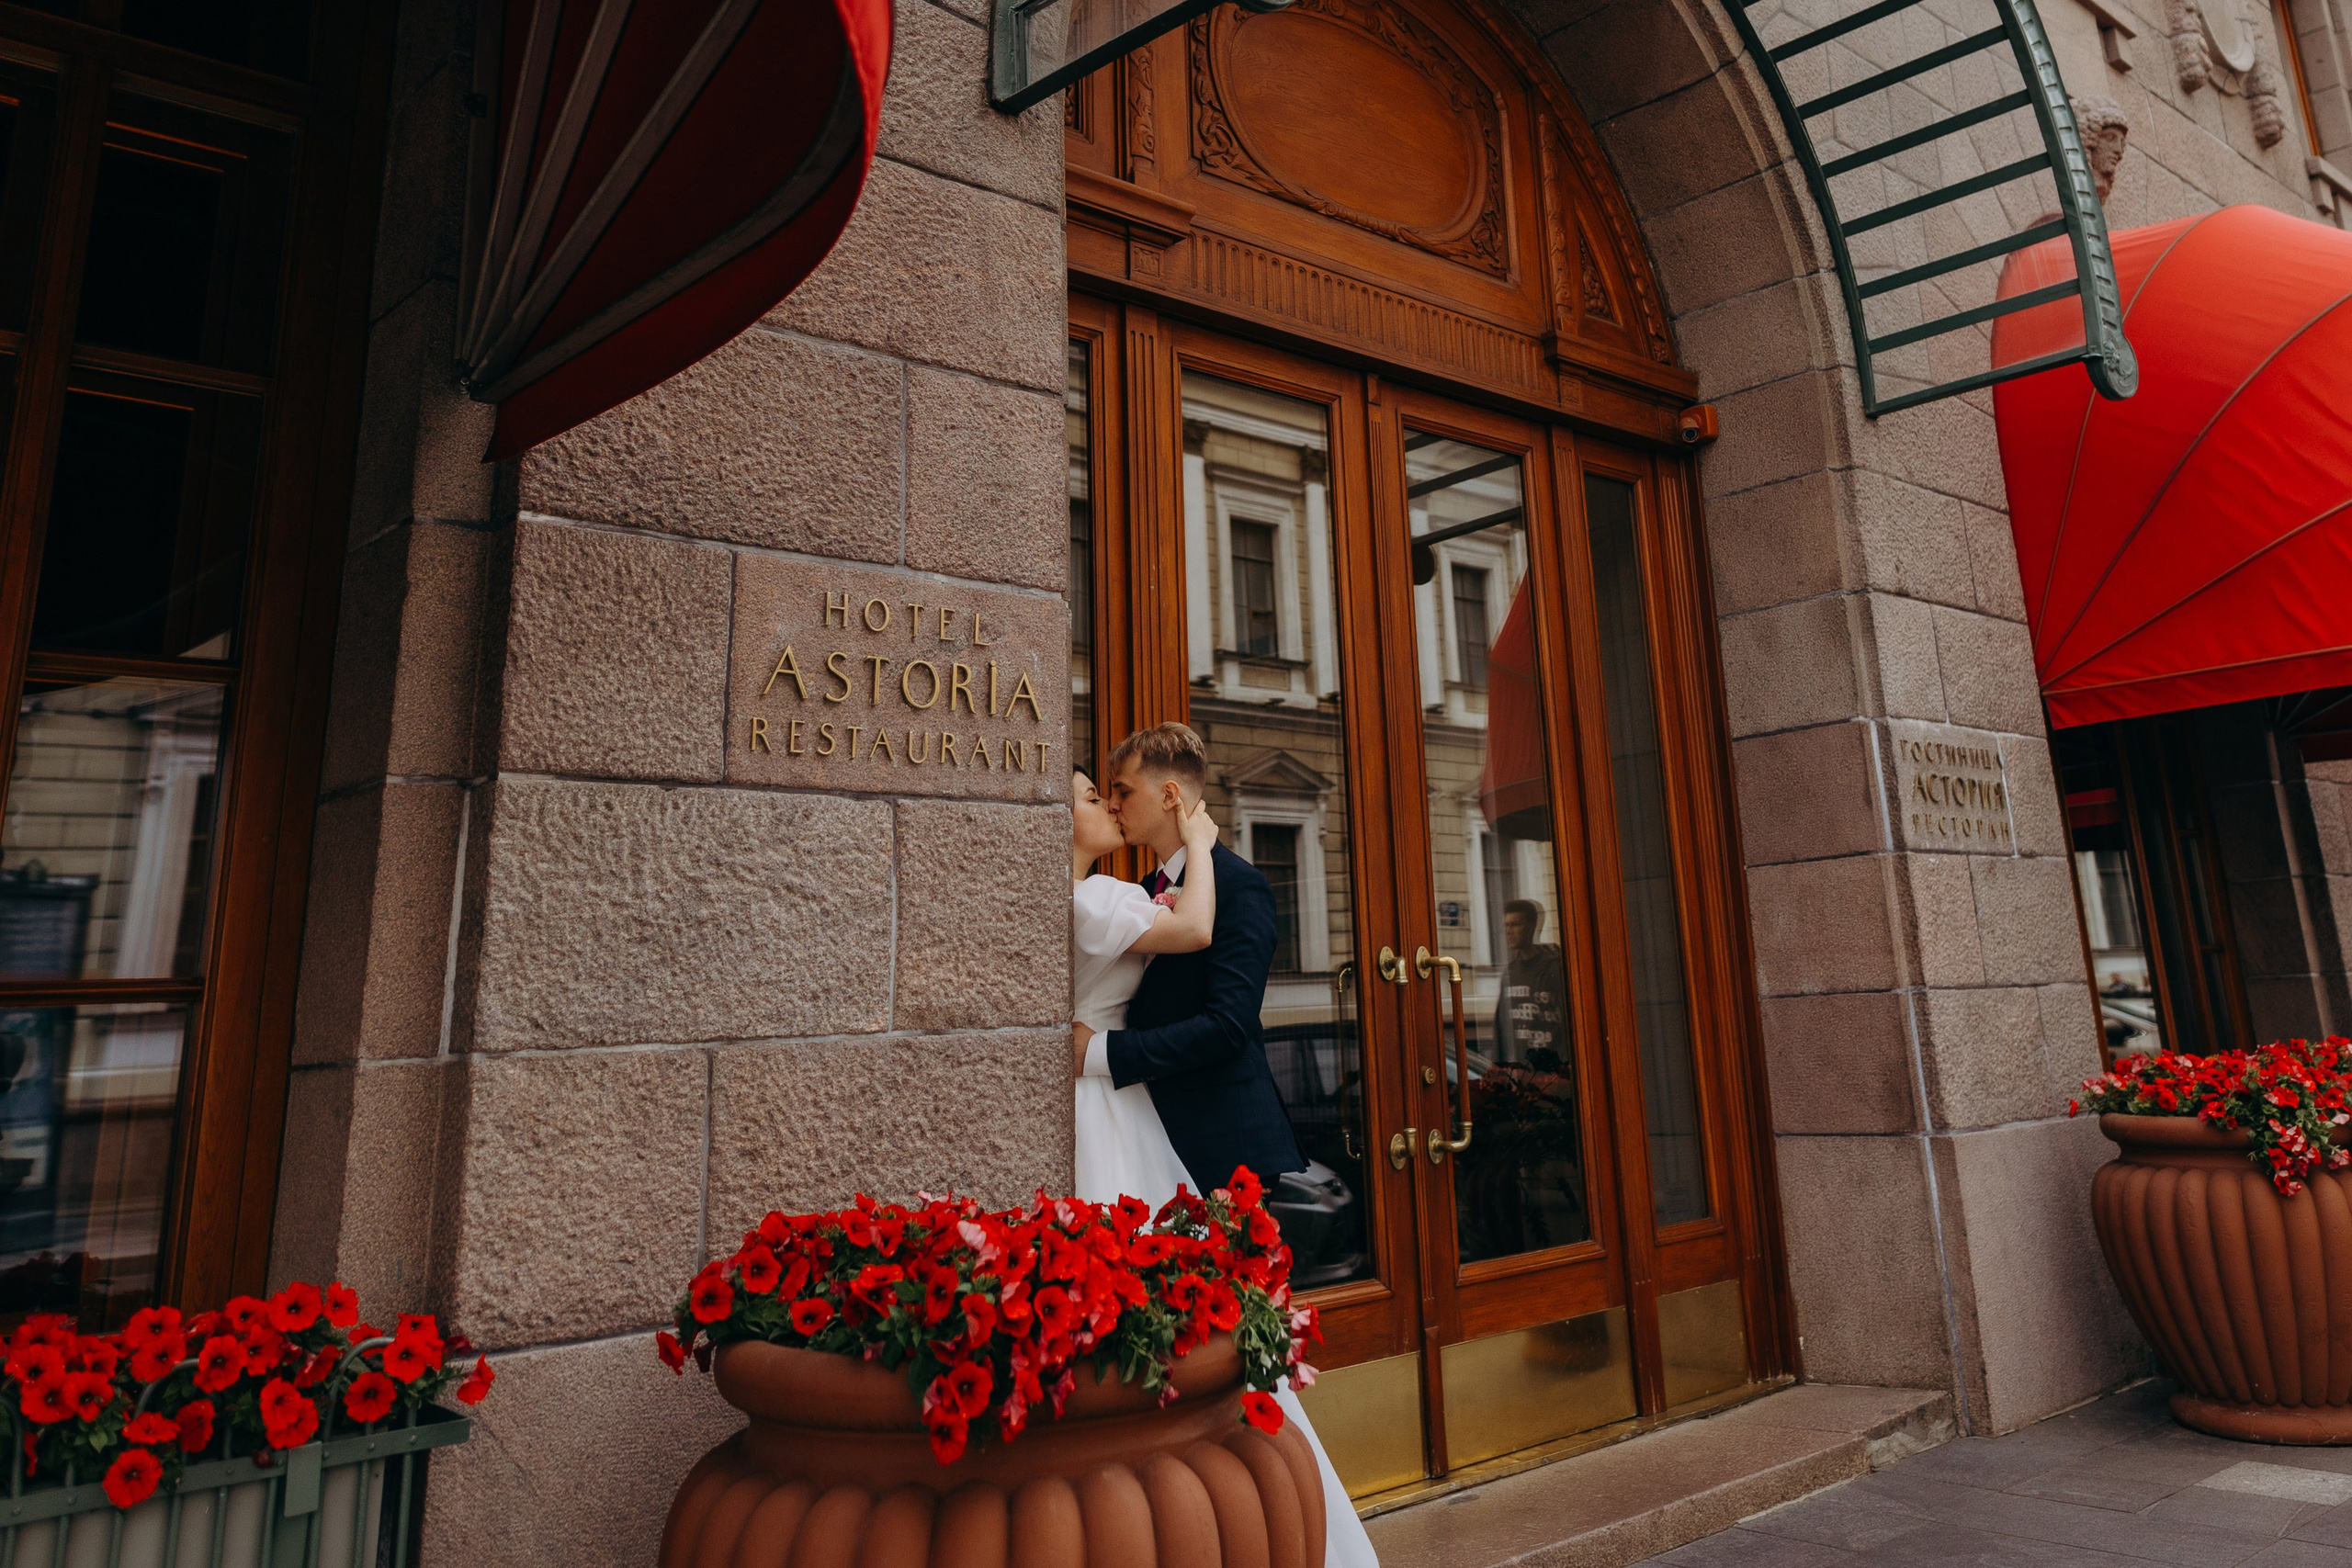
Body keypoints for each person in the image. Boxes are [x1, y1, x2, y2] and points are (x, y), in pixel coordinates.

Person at [1069, 723, 1377, 1568]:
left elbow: (1231, 1023)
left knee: (1228, 1356)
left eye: (1122, 789)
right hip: (1141, 1138)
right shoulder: (1134, 891)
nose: (1115, 804)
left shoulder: (1237, 884)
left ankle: (1267, 1525)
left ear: (1171, 794)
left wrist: (1099, 1055)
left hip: (1213, 1146)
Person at [1493, 897, 1570, 1071]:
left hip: (1554, 1075)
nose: (1508, 931)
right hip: (1523, 1076)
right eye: (1506, 925)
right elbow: (1500, 1027)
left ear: (1532, 927)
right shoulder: (1510, 973)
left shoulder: (1555, 969)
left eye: (1515, 925)